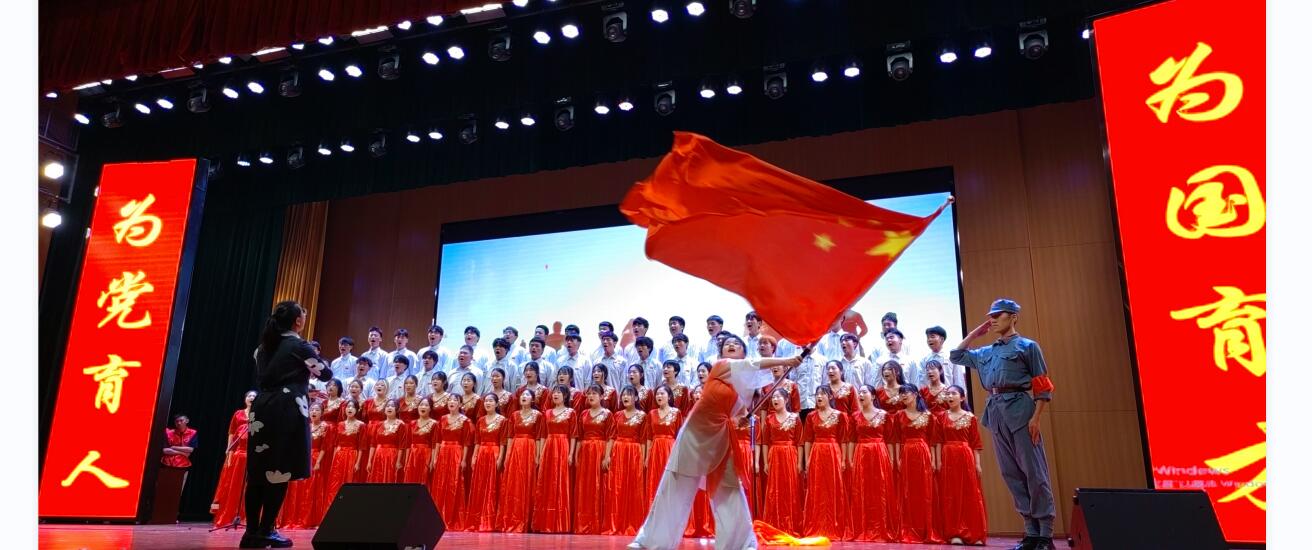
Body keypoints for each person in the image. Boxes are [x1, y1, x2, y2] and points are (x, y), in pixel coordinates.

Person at [629, 335, 803, 550]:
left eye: (736, 344)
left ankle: (742, 543)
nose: (731, 345)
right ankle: (648, 541)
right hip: (694, 435)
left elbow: (737, 415)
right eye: (727, 344)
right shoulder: (721, 366)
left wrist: (740, 420)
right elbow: (754, 363)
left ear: (743, 352)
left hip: (720, 440)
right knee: (674, 486)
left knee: (730, 489)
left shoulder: (743, 390)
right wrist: (788, 360)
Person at [951, 298, 1056, 550]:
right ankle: (1030, 532)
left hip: (1020, 409)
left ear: (1013, 317)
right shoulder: (987, 351)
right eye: (991, 315)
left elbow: (1042, 384)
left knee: (1034, 472)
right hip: (996, 411)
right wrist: (975, 334)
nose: (993, 319)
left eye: (998, 315)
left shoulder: (1028, 346)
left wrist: (1036, 417)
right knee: (1011, 473)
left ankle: (1045, 534)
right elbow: (956, 356)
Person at [242, 300, 333, 548]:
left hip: (262, 406)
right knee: (279, 470)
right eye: (302, 315)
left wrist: (300, 387)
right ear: (298, 321)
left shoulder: (263, 347)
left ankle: (251, 532)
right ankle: (266, 530)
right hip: (286, 409)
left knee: (259, 471)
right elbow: (325, 373)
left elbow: (275, 376)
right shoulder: (299, 346)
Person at [936, 385, 988, 545]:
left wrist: (977, 464)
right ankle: (954, 533)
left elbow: (975, 443)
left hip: (965, 457)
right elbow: (937, 441)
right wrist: (938, 461)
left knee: (970, 494)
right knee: (951, 495)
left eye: (953, 393)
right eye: (947, 394)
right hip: (948, 457)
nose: (950, 396)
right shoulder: (941, 417)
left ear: (962, 397)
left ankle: (975, 533)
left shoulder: (971, 417)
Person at [892, 384, 942, 544]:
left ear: (915, 394)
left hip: (923, 454)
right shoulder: (898, 415)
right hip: (906, 454)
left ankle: (925, 529)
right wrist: (897, 458)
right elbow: (896, 439)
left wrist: (934, 460)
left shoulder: (929, 416)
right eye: (901, 393)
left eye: (906, 392)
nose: (903, 395)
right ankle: (908, 528)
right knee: (907, 492)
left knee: (924, 491)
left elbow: (933, 441)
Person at [801, 385, 850, 541]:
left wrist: (843, 459)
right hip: (817, 453)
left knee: (832, 488)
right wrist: (808, 459)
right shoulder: (811, 417)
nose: (819, 397)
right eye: (817, 394)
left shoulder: (840, 416)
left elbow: (844, 439)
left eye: (822, 394)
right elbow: (807, 439)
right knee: (817, 488)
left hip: (833, 452)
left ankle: (834, 525)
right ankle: (817, 525)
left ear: (830, 397)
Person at [848, 384, 895, 542]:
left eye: (864, 392)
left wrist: (891, 459)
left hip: (879, 453)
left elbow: (890, 439)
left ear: (873, 396)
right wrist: (850, 459)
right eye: (859, 393)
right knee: (862, 489)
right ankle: (863, 526)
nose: (861, 395)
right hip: (861, 454)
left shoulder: (884, 415)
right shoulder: (855, 416)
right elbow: (851, 439)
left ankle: (881, 526)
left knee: (879, 489)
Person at [605, 386, 650, 536]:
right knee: (617, 487)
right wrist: (607, 455)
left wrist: (643, 458)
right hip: (618, 452)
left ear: (636, 398)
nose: (625, 397)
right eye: (623, 394)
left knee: (633, 487)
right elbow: (612, 436)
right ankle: (615, 523)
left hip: (634, 452)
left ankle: (632, 524)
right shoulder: (617, 415)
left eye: (629, 395)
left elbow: (643, 439)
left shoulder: (643, 416)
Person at [278, 402, 331, 529]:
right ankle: (297, 517)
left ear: (322, 412)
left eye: (317, 410)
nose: (314, 412)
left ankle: (310, 519)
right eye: (312, 410)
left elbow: (324, 447)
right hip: (303, 458)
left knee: (312, 490)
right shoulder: (305, 426)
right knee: (300, 489)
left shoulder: (326, 427)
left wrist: (318, 462)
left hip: (315, 459)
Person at [533, 385, 578, 533]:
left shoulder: (571, 412)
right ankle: (544, 522)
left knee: (561, 481)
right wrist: (540, 454)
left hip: (563, 446)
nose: (555, 395)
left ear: (565, 396)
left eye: (559, 392)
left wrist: (571, 454)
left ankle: (559, 522)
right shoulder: (547, 413)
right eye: (554, 392)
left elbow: (573, 435)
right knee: (547, 482)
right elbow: (542, 435)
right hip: (549, 446)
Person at [498, 388, 544, 533]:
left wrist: (538, 455)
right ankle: (511, 518)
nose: (524, 397)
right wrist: (508, 455)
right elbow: (510, 437)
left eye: (527, 395)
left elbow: (539, 437)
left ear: (533, 399)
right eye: (522, 395)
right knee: (514, 482)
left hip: (530, 448)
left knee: (527, 482)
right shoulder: (514, 415)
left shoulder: (538, 415)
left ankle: (526, 520)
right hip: (516, 449)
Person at [759, 389, 801, 534]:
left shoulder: (795, 418)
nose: (775, 400)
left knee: (790, 487)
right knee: (774, 489)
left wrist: (799, 462)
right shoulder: (769, 419)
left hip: (790, 454)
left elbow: (799, 442)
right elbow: (765, 442)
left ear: (786, 399)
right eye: (773, 397)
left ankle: (791, 524)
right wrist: (765, 462)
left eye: (778, 397)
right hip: (774, 455)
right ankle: (774, 523)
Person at [211, 391, 254, 529]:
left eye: (254, 396)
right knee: (233, 484)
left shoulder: (260, 414)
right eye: (249, 396)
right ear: (245, 399)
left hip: (252, 455)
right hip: (238, 453)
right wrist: (229, 448)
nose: (251, 398)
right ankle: (229, 515)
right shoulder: (238, 413)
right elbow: (231, 432)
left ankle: (246, 517)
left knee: (248, 486)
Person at [467, 394, 509, 532]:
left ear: (496, 404)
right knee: (480, 485)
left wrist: (500, 458)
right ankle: (478, 519)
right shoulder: (480, 420)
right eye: (486, 401)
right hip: (481, 454)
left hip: (494, 453)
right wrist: (474, 456)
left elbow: (503, 442)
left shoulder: (503, 420)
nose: (488, 403)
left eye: (491, 401)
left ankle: (491, 520)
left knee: (493, 486)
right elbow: (477, 441)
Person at [574, 385, 612, 534]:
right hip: (585, 451)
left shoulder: (607, 414)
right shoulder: (583, 414)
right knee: (584, 486)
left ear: (602, 396)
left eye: (594, 393)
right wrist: (576, 455)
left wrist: (607, 456)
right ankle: (583, 523)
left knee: (598, 486)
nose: (591, 396)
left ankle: (597, 523)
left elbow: (610, 437)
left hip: (599, 450)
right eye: (589, 394)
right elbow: (579, 437)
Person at [431, 396, 473, 531]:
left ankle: (452, 517)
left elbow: (466, 442)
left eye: (455, 400)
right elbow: (438, 440)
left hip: (456, 453)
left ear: (460, 404)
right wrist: (435, 457)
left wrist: (464, 459)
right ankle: (437, 518)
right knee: (440, 483)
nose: (452, 402)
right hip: (443, 453)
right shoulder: (442, 419)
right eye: (450, 400)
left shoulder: (465, 421)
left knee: (454, 484)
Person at [645, 385, 683, 508]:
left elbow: (679, 436)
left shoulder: (676, 413)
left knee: (669, 481)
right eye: (657, 394)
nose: (659, 396)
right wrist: (647, 457)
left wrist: (679, 456)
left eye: (662, 393)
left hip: (670, 449)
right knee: (655, 481)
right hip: (655, 450)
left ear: (669, 396)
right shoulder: (651, 414)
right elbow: (649, 437)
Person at [325, 400, 366, 503]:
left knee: (349, 481)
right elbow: (336, 444)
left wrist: (358, 462)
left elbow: (361, 446)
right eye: (348, 407)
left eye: (352, 407)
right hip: (339, 457)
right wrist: (334, 459)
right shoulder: (340, 424)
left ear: (357, 410)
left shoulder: (361, 425)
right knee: (335, 482)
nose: (350, 409)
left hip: (352, 455)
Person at [400, 396, 439, 488]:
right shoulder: (412, 423)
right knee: (411, 480)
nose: (423, 407)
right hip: (413, 455)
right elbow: (408, 444)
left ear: (430, 408)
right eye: (421, 405)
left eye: (426, 405)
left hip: (426, 455)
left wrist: (432, 460)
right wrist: (406, 461)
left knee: (424, 480)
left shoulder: (434, 424)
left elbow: (434, 444)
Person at [364, 400, 407, 483]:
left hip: (392, 456)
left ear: (397, 409)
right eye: (387, 406)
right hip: (378, 455)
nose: (389, 408)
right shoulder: (378, 425)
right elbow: (373, 444)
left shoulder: (400, 424)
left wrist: (398, 461)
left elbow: (402, 445)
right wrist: (369, 461)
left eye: (392, 406)